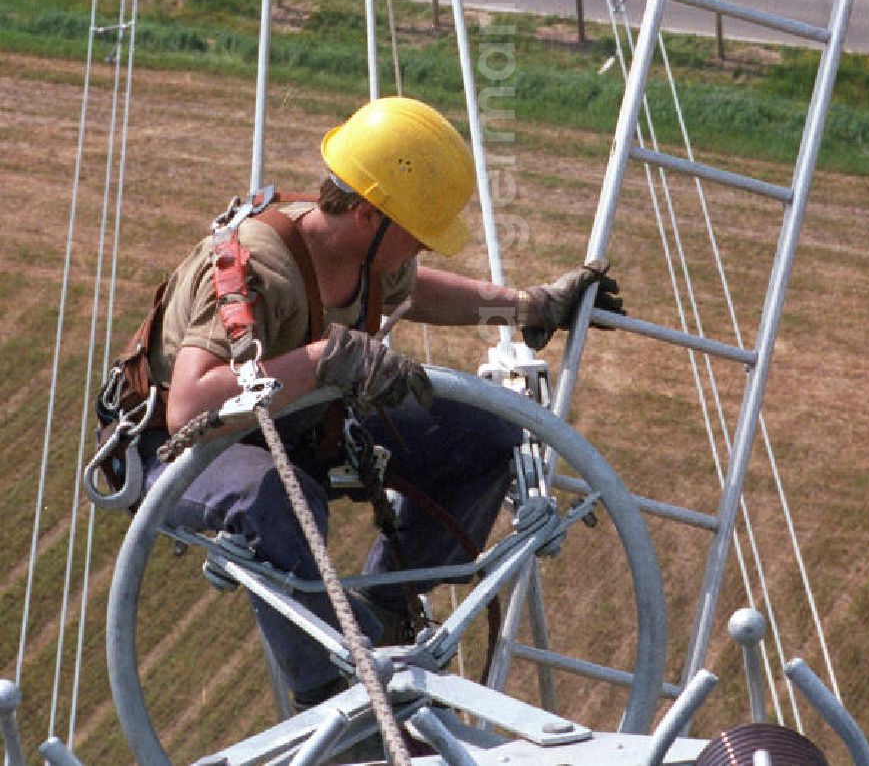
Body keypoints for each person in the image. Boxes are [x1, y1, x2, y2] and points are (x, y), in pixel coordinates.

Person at [137, 95, 623, 710]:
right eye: (416, 235)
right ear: (369, 216)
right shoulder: (256, 268)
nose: (421, 249)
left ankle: (389, 606)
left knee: (485, 436)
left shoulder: (365, 255)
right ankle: (333, 699)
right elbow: (190, 407)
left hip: (301, 424)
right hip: (188, 450)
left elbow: (418, 292)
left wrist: (526, 308)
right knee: (281, 503)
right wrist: (321, 361)